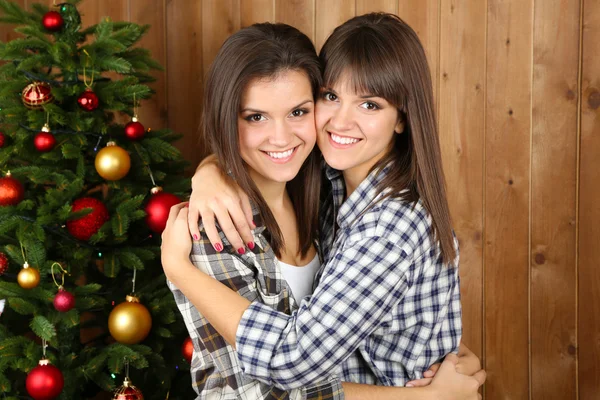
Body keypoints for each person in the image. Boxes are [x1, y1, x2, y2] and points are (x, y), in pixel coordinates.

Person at [162, 16, 485, 400]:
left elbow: (291, 363)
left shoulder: (382, 226)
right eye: (331, 96)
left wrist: (178, 269)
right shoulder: (318, 183)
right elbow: (255, 392)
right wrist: (210, 170)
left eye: (369, 103)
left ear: (403, 118)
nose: (340, 121)